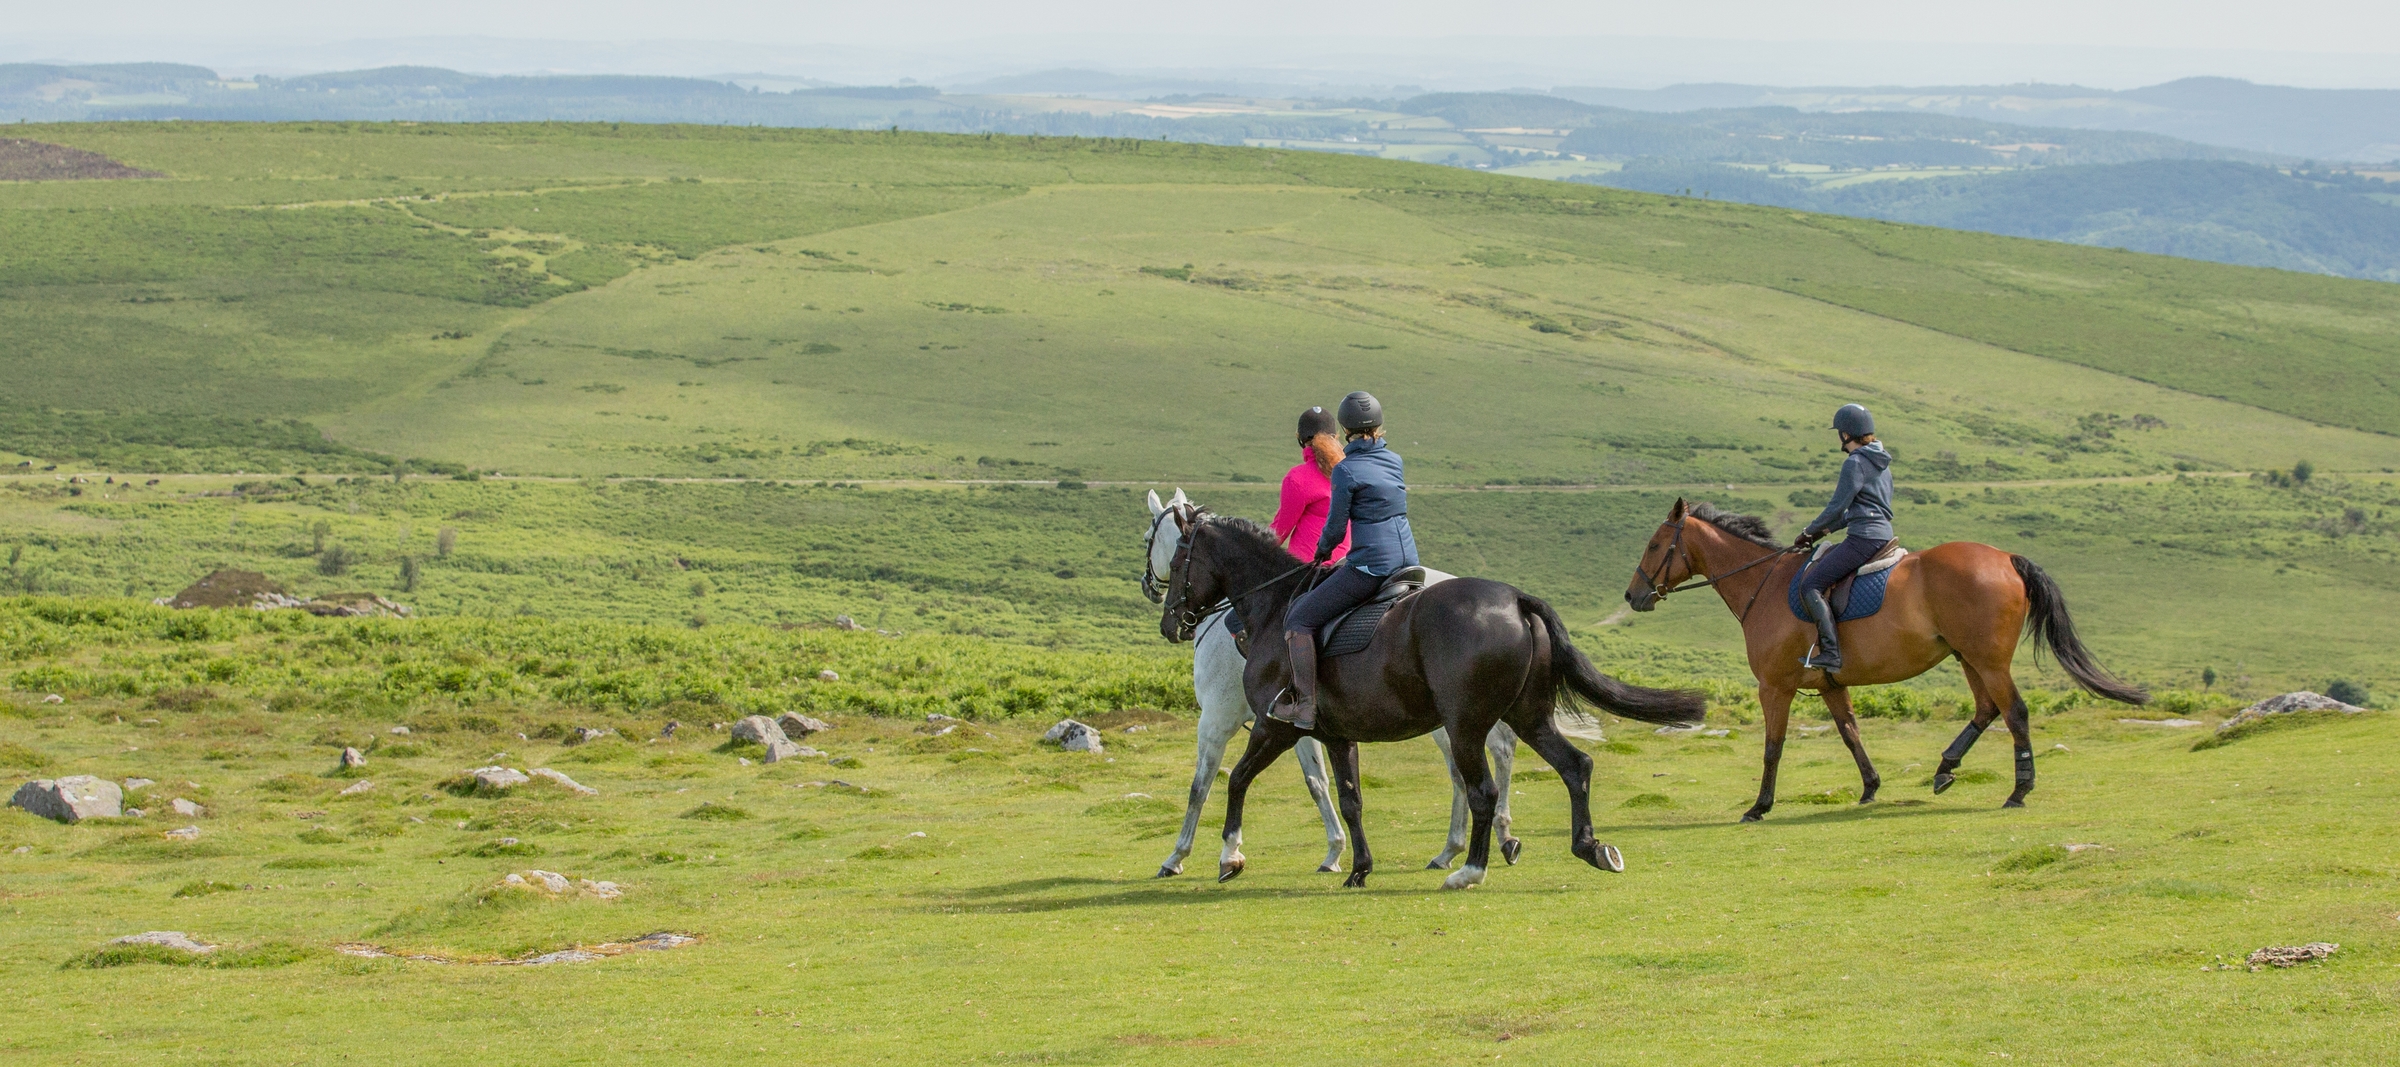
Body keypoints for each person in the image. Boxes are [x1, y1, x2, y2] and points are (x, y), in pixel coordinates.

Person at [1271, 391, 1419, 730]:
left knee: (1299, 618)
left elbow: (1336, 529)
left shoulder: (1347, 471)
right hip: (1407, 560)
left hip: (1371, 568)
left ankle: (1305, 706)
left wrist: (1322, 550)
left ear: (1346, 429)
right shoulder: (1394, 460)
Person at [1790, 403, 1895, 674]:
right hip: (1883, 536)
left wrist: (1807, 532)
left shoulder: (1855, 463)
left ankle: (1831, 654)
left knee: (1810, 585)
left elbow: (1837, 507)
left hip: (1863, 538)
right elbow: (1852, 512)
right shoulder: (1881, 461)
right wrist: (1824, 532)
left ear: (1846, 434)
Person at [1271, 406, 1351, 564]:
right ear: (1336, 436)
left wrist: (1257, 550)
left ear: (1300, 439)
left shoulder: (1297, 478)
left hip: (1307, 568)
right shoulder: (1349, 471)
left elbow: (1280, 529)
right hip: (1346, 566)